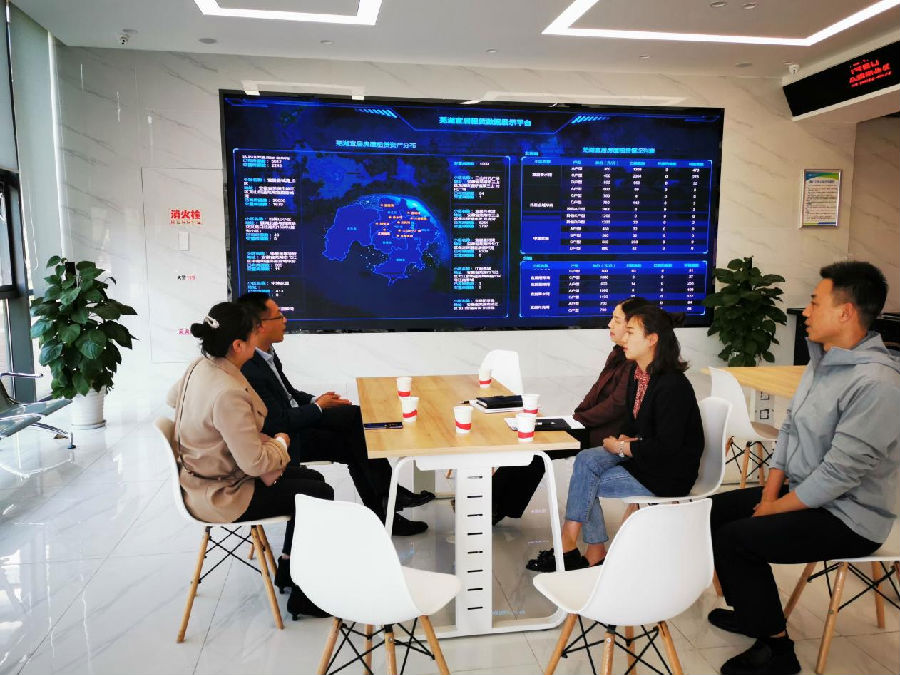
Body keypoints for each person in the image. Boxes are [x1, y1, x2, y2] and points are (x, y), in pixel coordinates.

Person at [708, 261, 899, 675]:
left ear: (845, 312)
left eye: (815, 303)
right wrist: (769, 494)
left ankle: (778, 651)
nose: (806, 312)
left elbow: (839, 475)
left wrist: (773, 509)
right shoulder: (823, 359)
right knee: (715, 511)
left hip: (851, 517)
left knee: (737, 539)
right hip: (807, 492)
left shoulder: (877, 384)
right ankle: (753, 613)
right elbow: (790, 428)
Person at [167, 301, 333, 619]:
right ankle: (303, 594)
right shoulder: (227, 391)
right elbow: (255, 464)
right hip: (222, 494)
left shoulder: (200, 366)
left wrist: (214, 434)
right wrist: (281, 441)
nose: (259, 338)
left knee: (313, 481)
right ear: (238, 345)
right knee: (319, 494)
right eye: (254, 333)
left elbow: (172, 399)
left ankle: (289, 569)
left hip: (206, 479)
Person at [236, 292, 434, 537]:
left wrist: (317, 401)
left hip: (297, 424)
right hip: (286, 440)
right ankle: (389, 498)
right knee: (355, 422)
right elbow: (277, 421)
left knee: (355, 437)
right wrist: (318, 407)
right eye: (279, 316)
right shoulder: (249, 366)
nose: (285, 320)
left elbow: (288, 393)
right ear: (260, 325)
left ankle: (387, 510)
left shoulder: (266, 354)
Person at [526, 304, 703, 572]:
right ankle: (586, 549)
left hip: (666, 474)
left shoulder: (672, 386)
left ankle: (574, 546)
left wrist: (622, 447)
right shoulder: (638, 374)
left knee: (586, 482)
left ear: (652, 340)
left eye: (631, 332)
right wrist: (623, 441)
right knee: (586, 460)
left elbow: (667, 448)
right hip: (642, 457)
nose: (624, 338)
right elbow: (633, 424)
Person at [491, 297, 650, 525]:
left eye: (616, 320)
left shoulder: (637, 361)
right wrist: (576, 417)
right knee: (533, 440)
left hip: (608, 433)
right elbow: (597, 390)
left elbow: (617, 404)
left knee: (539, 445)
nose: (609, 324)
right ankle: (496, 506)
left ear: (635, 326)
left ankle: (491, 507)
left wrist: (580, 420)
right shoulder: (618, 353)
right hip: (591, 424)